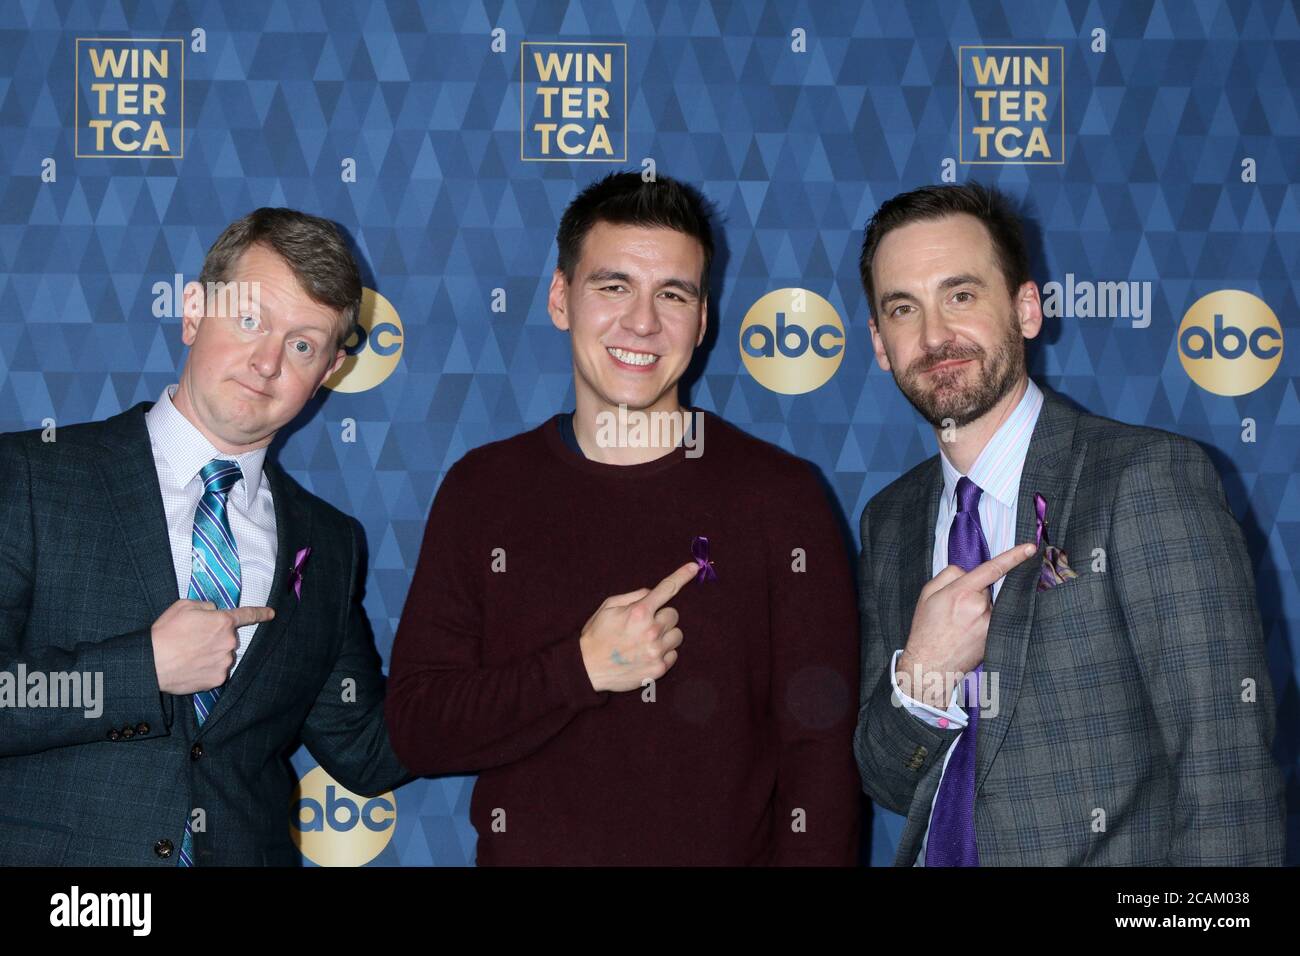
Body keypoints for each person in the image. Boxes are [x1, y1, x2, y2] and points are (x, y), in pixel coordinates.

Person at [386, 171, 860, 865]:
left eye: (673, 294)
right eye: (613, 287)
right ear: (560, 299)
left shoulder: (781, 498)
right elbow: (419, 729)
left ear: (702, 321)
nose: (642, 322)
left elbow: (820, 758)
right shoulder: (483, 491)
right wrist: (577, 669)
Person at [853, 182, 1285, 866]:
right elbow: (887, 778)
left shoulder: (1144, 478)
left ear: (1026, 309)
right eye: (904, 309)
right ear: (879, 342)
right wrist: (926, 676)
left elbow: (1224, 768)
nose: (935, 336)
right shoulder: (891, 521)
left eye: (961, 295)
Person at [0, 208, 409, 865]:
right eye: (250, 319)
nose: (267, 361)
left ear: (329, 370)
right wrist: (143, 669)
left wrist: (559, 661)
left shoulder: (330, 543)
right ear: (193, 311)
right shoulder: (28, 476)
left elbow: (366, 748)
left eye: (303, 345)